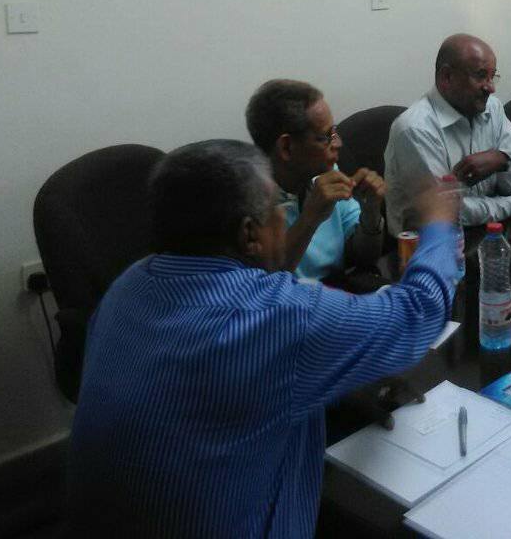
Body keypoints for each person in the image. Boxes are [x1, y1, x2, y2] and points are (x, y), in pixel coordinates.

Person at [67, 139, 460, 538]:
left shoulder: (128, 286)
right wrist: (438, 223)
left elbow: (207, 393)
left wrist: (331, 383)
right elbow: (419, 312)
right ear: (249, 234)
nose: (283, 219)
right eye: (277, 209)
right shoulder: (272, 314)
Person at [384, 33, 511, 234]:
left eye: (493, 76)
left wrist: (502, 160)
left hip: (488, 233)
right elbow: (448, 212)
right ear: (447, 77)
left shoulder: (492, 108)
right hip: (425, 245)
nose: (491, 87)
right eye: (480, 75)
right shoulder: (415, 129)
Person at [245, 79, 383, 283]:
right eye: (325, 137)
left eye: (334, 132)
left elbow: (364, 258)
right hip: (289, 300)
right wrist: (311, 217)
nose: (338, 143)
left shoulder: (327, 172)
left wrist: (370, 213)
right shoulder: (248, 205)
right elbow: (264, 287)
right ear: (286, 147)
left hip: (336, 290)